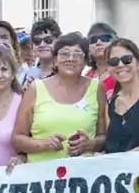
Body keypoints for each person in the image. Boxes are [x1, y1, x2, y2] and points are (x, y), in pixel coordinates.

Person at [14, 33, 104, 162]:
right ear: (55, 60)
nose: (71, 58)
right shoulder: (35, 88)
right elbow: (17, 139)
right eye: (65, 53)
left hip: (83, 176)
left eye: (78, 54)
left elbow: (104, 136)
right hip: (42, 176)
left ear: (85, 61)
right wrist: (45, 144)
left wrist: (90, 144)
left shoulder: (97, 87)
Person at [103, 38, 139, 153]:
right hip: (115, 169)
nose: (120, 65)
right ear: (109, 68)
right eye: (113, 61)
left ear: (138, 62)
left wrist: (122, 160)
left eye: (127, 60)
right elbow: (110, 144)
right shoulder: (110, 102)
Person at [85, 22, 118, 96]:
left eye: (104, 38)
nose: (98, 42)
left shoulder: (125, 70)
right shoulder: (87, 77)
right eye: (93, 40)